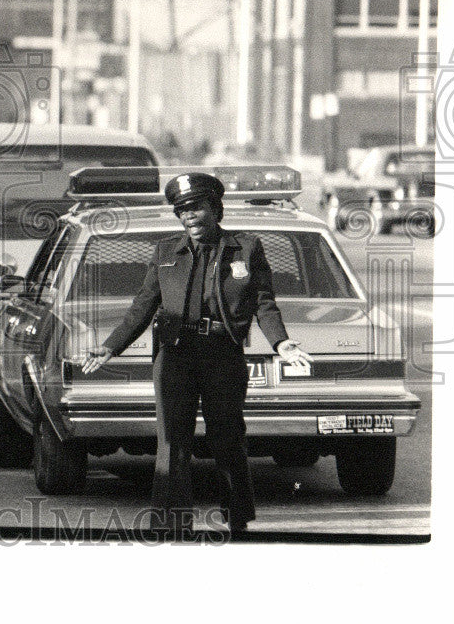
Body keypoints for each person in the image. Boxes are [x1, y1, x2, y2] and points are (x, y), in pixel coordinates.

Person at [84, 172, 312, 533]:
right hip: (175, 356)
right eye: (182, 211)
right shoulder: (164, 252)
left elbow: (263, 302)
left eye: (196, 208)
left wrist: (281, 342)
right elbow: (142, 306)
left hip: (222, 354)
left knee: (227, 437)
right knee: (172, 441)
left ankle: (238, 518)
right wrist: (112, 345)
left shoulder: (246, 248)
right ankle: (172, 523)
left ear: (214, 209)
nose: (189, 216)